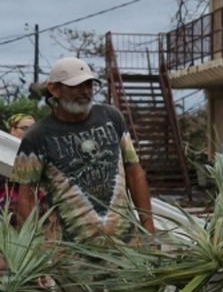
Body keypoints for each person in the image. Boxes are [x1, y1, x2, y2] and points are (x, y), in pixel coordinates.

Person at [11, 57, 153, 240]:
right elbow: (26, 196)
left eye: (89, 85)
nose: (85, 91)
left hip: (127, 250)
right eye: (76, 86)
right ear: (54, 89)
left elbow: (134, 172)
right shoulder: (37, 136)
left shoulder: (111, 118)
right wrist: (33, 244)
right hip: (70, 257)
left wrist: (148, 227)